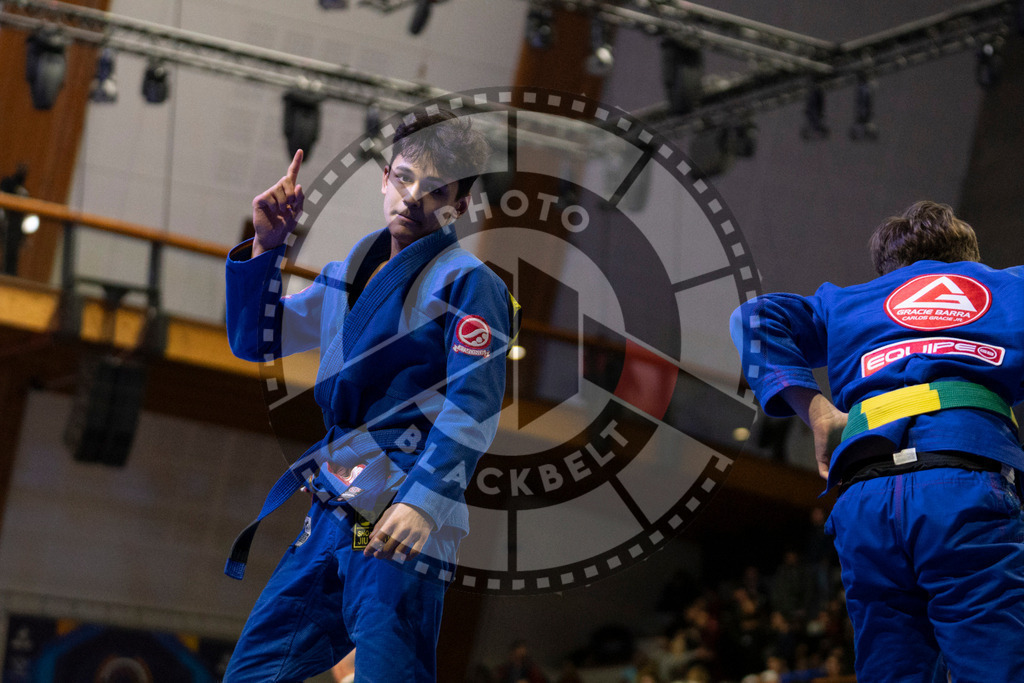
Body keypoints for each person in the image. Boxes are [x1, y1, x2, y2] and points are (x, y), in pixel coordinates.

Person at [222, 111, 516, 682]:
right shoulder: (346, 272)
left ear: (459, 203)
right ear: (384, 176)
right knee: (253, 674)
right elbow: (257, 341)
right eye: (404, 178)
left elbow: (473, 406)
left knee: (388, 674)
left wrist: (424, 502)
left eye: (435, 191)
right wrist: (266, 246)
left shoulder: (471, 283)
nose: (412, 198)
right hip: (334, 501)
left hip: (402, 499)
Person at [731, 200, 1024, 682]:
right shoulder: (1006, 286)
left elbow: (751, 318)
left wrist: (816, 410)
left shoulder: (848, 302)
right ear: (971, 261)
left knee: (892, 672)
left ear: (887, 272)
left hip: (867, 498)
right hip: (962, 487)